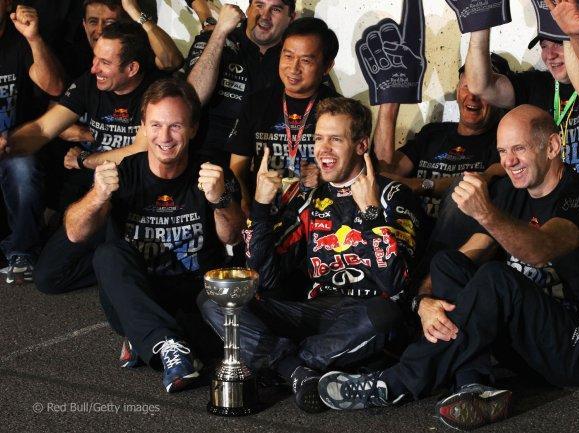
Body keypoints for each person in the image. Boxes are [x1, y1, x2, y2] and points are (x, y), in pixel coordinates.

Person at [318, 105, 579, 432]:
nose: (509, 161)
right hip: (529, 348)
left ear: (552, 146)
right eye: (502, 151)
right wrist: (423, 302)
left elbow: (540, 250)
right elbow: (467, 255)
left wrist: (485, 213)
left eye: (519, 149)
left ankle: (395, 383)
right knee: (448, 263)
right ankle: (473, 384)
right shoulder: (513, 192)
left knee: (496, 277)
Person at [198, 97, 423, 413]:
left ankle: (284, 366)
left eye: (336, 139)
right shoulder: (310, 198)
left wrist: (372, 214)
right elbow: (264, 277)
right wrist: (261, 207)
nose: (323, 149)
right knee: (216, 300)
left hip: (363, 314)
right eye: (318, 138)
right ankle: (299, 371)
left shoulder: (393, 195)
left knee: (387, 317)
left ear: (361, 145)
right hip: (312, 310)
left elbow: (396, 283)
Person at [464, 21, 579, 333]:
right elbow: (481, 86)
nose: (550, 54)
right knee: (492, 191)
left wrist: (570, 26)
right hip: (550, 201)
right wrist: (479, 22)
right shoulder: (537, 85)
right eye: (544, 45)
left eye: (558, 43)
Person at [65, 78, 244, 393]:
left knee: (220, 337)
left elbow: (232, 237)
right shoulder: (123, 172)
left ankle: (146, 338)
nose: (165, 137)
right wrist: (98, 196)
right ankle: (164, 341)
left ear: (193, 128)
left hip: (195, 298)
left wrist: (220, 200)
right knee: (108, 254)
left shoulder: (211, 173)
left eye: (176, 126)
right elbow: (75, 233)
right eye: (156, 125)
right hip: (137, 294)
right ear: (143, 127)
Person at [1, 21, 161, 294]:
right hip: (96, 193)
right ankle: (113, 264)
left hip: (138, 195)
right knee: (48, 278)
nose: (94, 68)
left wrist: (85, 160)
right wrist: (7, 144)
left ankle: (126, 263)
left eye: (104, 63)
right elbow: (43, 129)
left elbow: (140, 151)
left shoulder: (156, 93)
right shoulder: (90, 83)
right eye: (95, 58)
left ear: (132, 68)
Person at [374, 55, 509, 238]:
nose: (472, 97)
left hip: (456, 241)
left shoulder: (505, 143)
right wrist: (390, 103)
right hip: (410, 235)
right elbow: (387, 170)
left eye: (483, 90)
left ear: (500, 97)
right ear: (457, 90)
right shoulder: (432, 133)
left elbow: (480, 181)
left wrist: (420, 185)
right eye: (467, 86)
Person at [225, 17, 340, 215]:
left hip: (321, 218)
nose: (293, 68)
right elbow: (237, 170)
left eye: (306, 60)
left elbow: (356, 172)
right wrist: (244, 203)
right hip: (263, 214)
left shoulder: (340, 111)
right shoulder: (255, 103)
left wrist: (326, 177)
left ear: (327, 66)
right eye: (288, 56)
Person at [185, 0, 295, 166]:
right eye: (259, 5)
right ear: (248, 9)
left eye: (276, 9)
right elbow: (194, 98)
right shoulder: (215, 38)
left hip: (266, 164)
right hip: (205, 161)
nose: (264, 16)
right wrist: (220, 32)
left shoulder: (296, 57)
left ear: (291, 18)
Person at [0, 2, 65, 283]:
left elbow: (55, 87)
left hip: (15, 144)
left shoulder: (20, 40)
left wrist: (34, 38)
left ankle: (22, 251)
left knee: (24, 168)